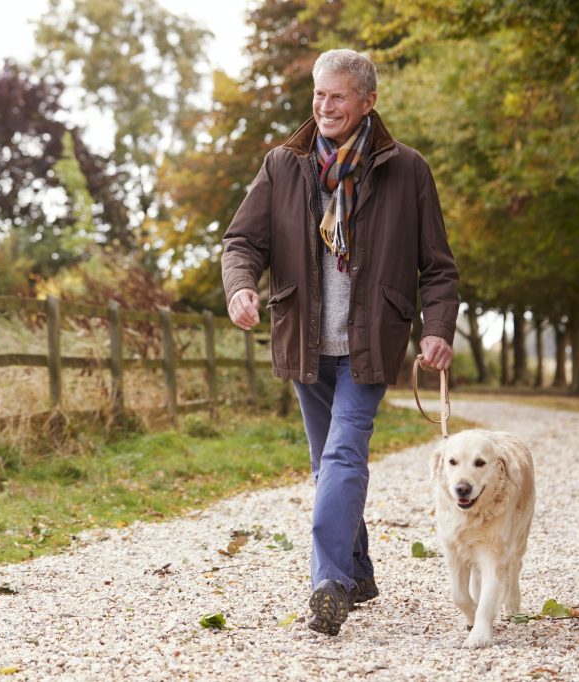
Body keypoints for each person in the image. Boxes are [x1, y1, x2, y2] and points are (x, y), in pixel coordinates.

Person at [221, 48, 459, 637]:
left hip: (369, 345)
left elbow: (438, 267)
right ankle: (359, 570)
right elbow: (241, 243)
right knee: (325, 465)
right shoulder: (284, 165)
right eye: (318, 95)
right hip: (304, 341)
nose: (324, 107)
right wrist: (241, 289)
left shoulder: (407, 170)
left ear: (367, 102)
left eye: (337, 96)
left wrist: (436, 329)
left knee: (342, 457)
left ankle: (328, 583)